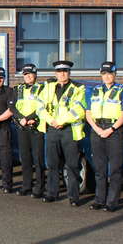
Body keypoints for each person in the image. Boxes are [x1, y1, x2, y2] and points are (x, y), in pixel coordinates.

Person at [37, 60, 86, 206]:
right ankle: (52, 193)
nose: (62, 74)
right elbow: (40, 106)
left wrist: (61, 121)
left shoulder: (78, 88)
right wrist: (51, 120)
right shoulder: (48, 86)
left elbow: (78, 109)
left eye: (65, 71)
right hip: (52, 129)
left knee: (72, 165)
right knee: (52, 164)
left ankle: (74, 197)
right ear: (55, 73)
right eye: (59, 71)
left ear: (69, 73)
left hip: (69, 130)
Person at [85, 61, 123, 212]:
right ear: (101, 75)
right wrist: (97, 129)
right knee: (99, 169)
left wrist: (110, 129)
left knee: (115, 169)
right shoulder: (95, 90)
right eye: (104, 74)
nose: (107, 76)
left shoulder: (121, 90)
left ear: (115, 74)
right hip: (97, 130)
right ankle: (99, 200)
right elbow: (88, 112)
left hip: (115, 131)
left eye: (110, 73)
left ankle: (112, 202)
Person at [11, 63, 45, 198]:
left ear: (35, 75)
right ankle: (26, 186)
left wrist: (31, 118)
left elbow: (43, 106)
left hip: (36, 127)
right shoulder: (18, 89)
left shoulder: (41, 88)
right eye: (25, 74)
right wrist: (21, 118)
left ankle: (39, 188)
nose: (28, 76)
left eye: (30, 74)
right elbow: (12, 106)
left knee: (38, 159)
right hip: (22, 127)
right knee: (25, 158)